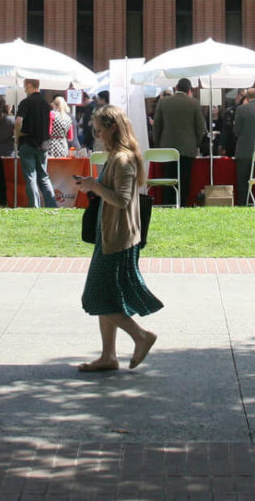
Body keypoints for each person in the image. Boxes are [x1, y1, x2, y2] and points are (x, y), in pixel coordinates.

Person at [72, 105, 162, 372]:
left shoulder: (122, 159)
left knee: (96, 297)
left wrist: (94, 186)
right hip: (110, 235)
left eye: (100, 130)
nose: (98, 136)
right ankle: (108, 356)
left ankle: (141, 336)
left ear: (113, 128)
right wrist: (93, 185)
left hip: (118, 238)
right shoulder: (117, 156)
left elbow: (121, 200)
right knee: (107, 296)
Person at [151, 78, 205, 205]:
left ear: (176, 87)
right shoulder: (194, 103)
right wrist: (196, 143)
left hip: (167, 149)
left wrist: (158, 145)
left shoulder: (163, 103)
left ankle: (168, 203)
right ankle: (182, 204)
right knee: (185, 180)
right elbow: (200, 127)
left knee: (169, 179)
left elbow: (157, 126)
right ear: (190, 90)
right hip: (188, 149)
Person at [14, 79, 57, 208]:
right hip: (43, 144)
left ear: (29, 85)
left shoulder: (26, 102)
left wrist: (17, 134)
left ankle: (34, 206)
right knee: (44, 176)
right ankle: (52, 205)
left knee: (31, 176)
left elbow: (18, 121)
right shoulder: (46, 104)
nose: (24, 89)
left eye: (25, 86)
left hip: (27, 142)